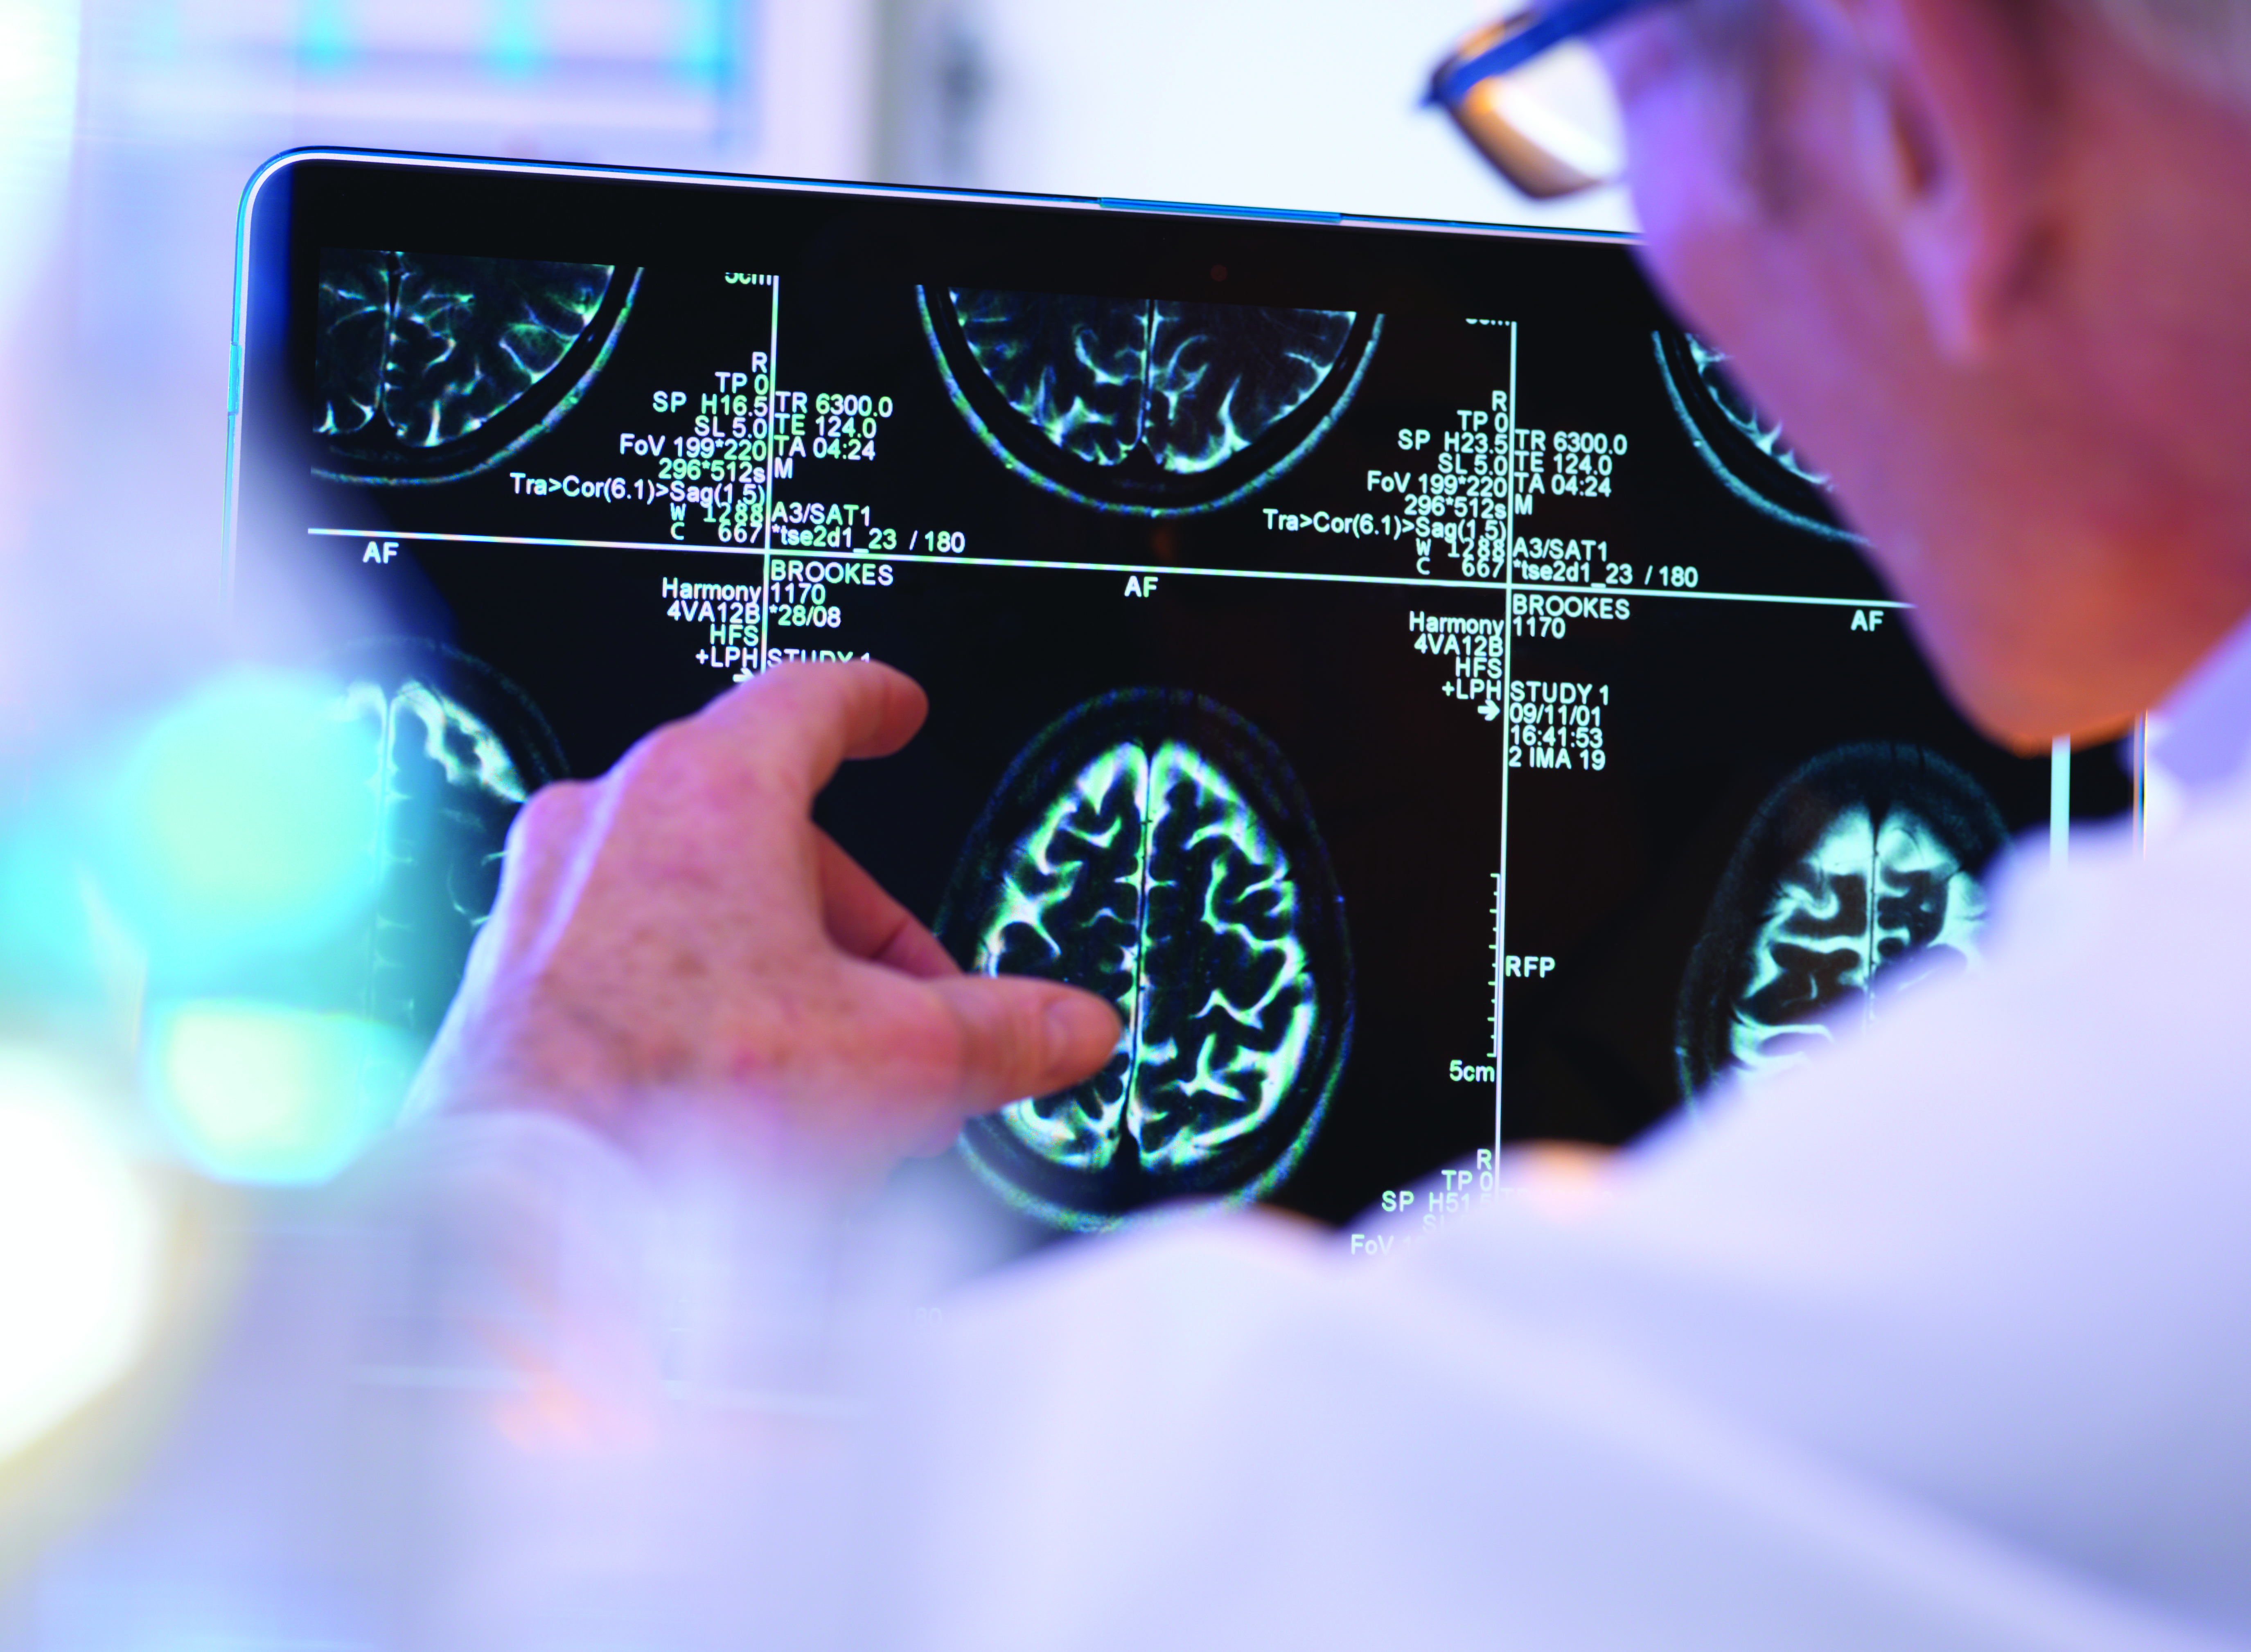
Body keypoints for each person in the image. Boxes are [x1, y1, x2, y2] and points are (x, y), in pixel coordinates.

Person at [19, 0, 2251, 1643]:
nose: (1660, 259)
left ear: (1918, 113)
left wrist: (573, 1121)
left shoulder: (2153, 1141)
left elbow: (503, 1592)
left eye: (1595, 83)